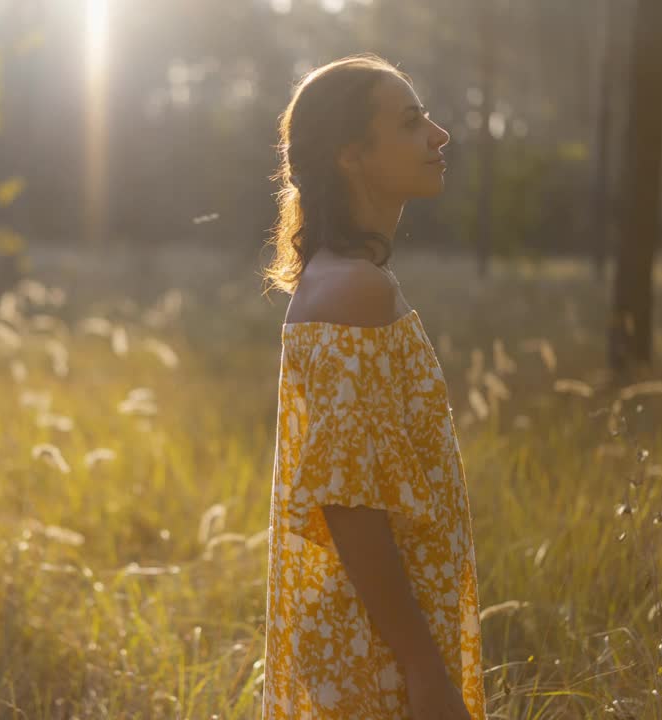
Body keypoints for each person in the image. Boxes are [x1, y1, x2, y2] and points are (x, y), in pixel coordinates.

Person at [259, 53, 486, 719]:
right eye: (413, 123)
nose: (440, 136)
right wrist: (422, 670)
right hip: (378, 648)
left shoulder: (347, 278)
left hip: (378, 628)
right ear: (352, 155)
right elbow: (348, 505)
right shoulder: (354, 290)